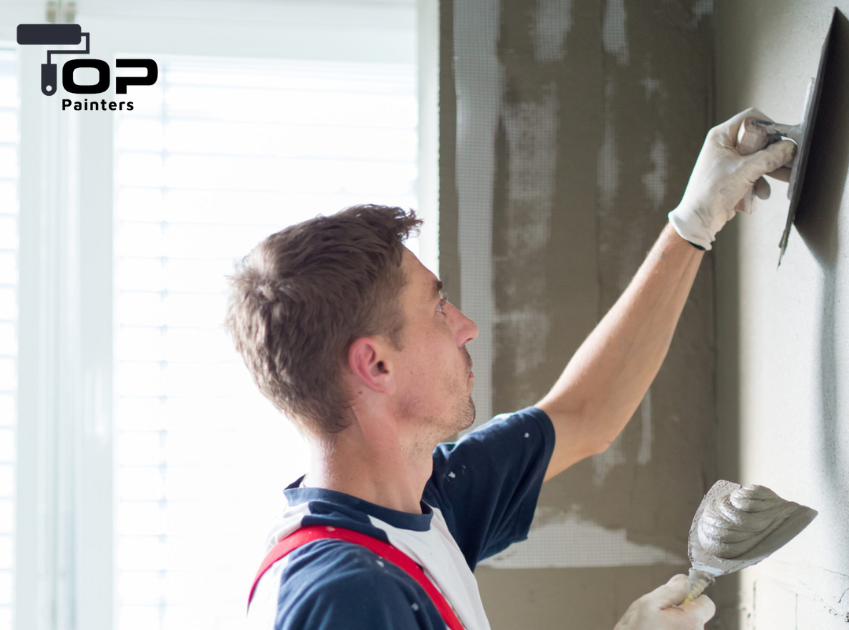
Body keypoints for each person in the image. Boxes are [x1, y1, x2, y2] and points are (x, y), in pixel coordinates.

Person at [228, 108, 794, 630]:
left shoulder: (420, 502)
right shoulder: (345, 597)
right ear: (376, 363)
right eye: (437, 308)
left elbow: (584, 413)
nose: (466, 326)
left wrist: (694, 221)